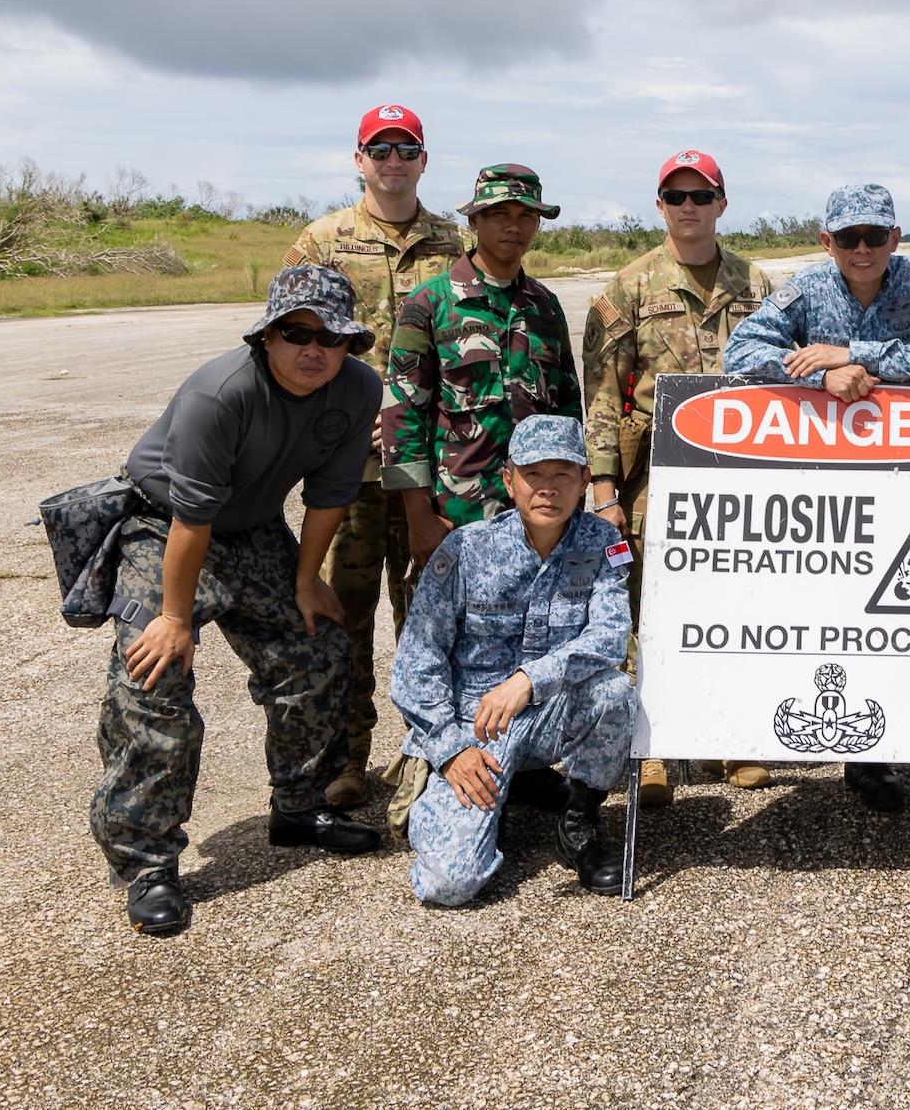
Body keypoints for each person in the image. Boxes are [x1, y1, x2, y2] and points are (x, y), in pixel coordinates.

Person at [92, 267, 384, 936]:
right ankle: (145, 862)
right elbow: (191, 522)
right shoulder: (220, 392)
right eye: (297, 333)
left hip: (251, 526)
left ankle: (299, 805)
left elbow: (329, 496)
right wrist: (174, 617)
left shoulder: (359, 388)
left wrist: (307, 580)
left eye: (332, 336)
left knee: (316, 649)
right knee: (154, 676)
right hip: (162, 525)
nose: (315, 349)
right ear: (267, 335)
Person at [725, 182, 910, 813]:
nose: (864, 250)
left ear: (895, 237)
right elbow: (740, 350)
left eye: (876, 237)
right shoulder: (805, 287)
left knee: (891, 613)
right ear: (828, 241)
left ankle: (874, 754)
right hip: (821, 484)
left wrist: (854, 353)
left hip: (901, 478)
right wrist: (816, 372)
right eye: (850, 238)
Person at [280, 103, 466, 808]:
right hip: (348, 471)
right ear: (358, 158)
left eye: (406, 148)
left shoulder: (453, 243)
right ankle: (347, 758)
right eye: (378, 148)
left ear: (424, 158)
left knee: (430, 617)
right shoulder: (322, 241)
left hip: (433, 470)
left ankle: (428, 752)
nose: (393, 160)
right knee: (344, 616)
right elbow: (290, 345)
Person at [581, 149, 774, 805]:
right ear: (659, 204)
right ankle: (653, 743)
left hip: (745, 480)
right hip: (657, 478)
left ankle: (731, 733)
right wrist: (604, 490)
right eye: (676, 196)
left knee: (736, 606)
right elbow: (604, 392)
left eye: (701, 195)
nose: (688, 206)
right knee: (650, 609)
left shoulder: (760, 286)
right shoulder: (629, 287)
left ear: (722, 203)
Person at [392, 416, 638, 904]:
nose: (548, 489)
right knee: (449, 884)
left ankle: (579, 822)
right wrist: (448, 748)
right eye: (533, 474)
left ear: (585, 481)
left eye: (563, 474)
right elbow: (416, 661)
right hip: (473, 729)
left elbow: (610, 635)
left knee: (614, 692)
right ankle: (479, 795)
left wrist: (529, 679)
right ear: (508, 480)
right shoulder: (466, 549)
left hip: (547, 712)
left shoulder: (604, 545)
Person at [381, 163, 584, 539]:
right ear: (474, 222)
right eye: (500, 214)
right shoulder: (430, 303)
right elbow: (404, 415)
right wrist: (418, 516)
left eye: (527, 216)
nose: (514, 226)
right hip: (459, 515)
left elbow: (568, 406)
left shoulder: (545, 306)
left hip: (539, 515)